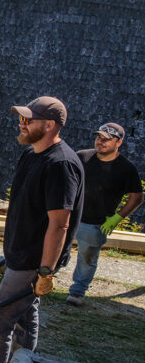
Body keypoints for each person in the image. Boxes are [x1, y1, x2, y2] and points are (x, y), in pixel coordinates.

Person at [0, 96, 84, 363]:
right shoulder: (31, 155)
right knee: (25, 318)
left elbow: (59, 224)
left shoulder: (61, 165)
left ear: (50, 125)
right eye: (21, 118)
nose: (22, 123)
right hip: (20, 254)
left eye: (28, 120)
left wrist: (46, 271)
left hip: (34, 262)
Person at [67, 123, 143, 306]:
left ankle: (77, 292)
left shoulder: (126, 168)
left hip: (95, 223)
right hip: (69, 216)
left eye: (106, 139)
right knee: (49, 247)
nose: (100, 142)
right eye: (99, 137)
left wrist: (117, 217)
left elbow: (137, 196)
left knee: (87, 259)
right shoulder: (82, 157)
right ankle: (36, 280)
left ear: (119, 143)